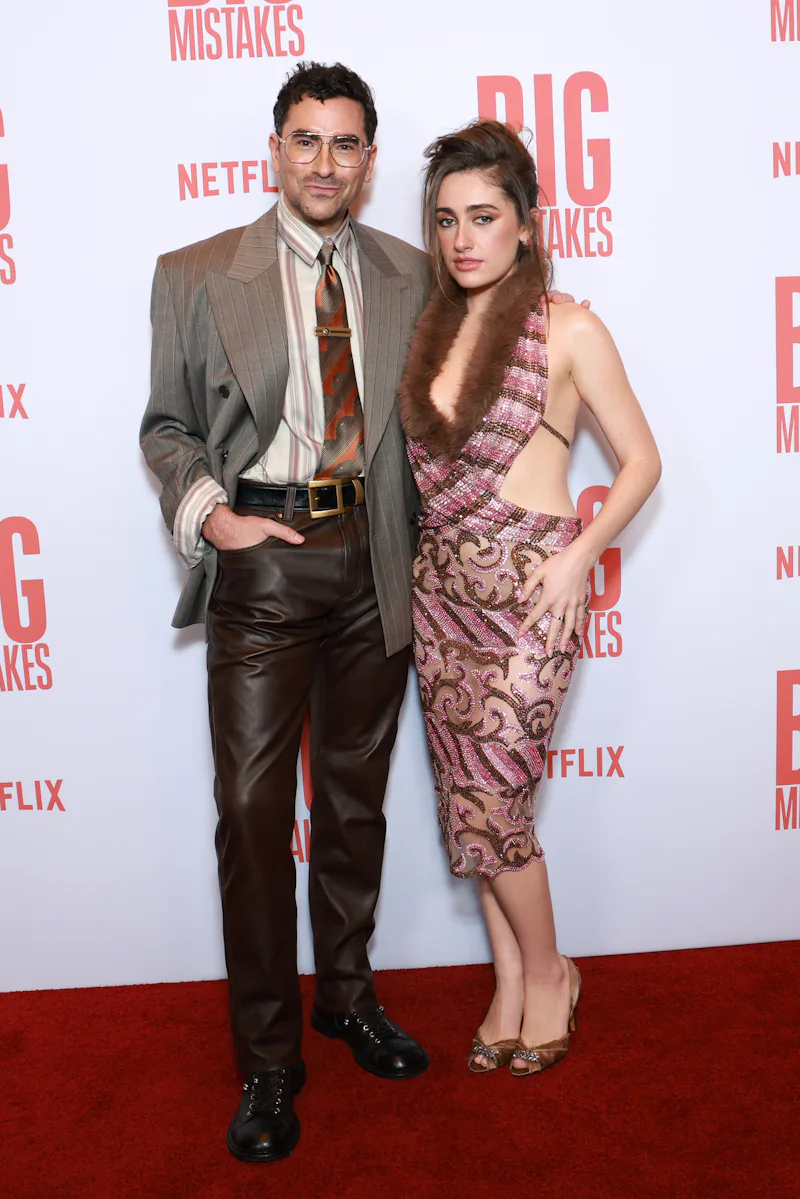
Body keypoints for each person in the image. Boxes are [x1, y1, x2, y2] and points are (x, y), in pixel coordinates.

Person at [141, 64, 582, 1161]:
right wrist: (216, 515)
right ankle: (269, 1060)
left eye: (345, 144)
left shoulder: (406, 272)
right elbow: (164, 427)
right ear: (275, 148)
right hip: (262, 568)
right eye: (305, 140)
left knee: (353, 805)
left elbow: (489, 371)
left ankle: (344, 996)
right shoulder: (196, 274)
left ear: (369, 158)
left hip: (379, 568)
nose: (324, 162)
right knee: (251, 817)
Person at [398, 120, 661, 1077]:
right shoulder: (434, 326)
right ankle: (507, 978)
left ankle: (552, 973)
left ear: (527, 221)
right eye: (445, 220)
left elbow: (642, 461)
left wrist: (581, 553)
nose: (463, 238)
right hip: (442, 597)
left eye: (483, 216)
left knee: (497, 798)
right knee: (468, 799)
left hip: (528, 597)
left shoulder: (570, 326)